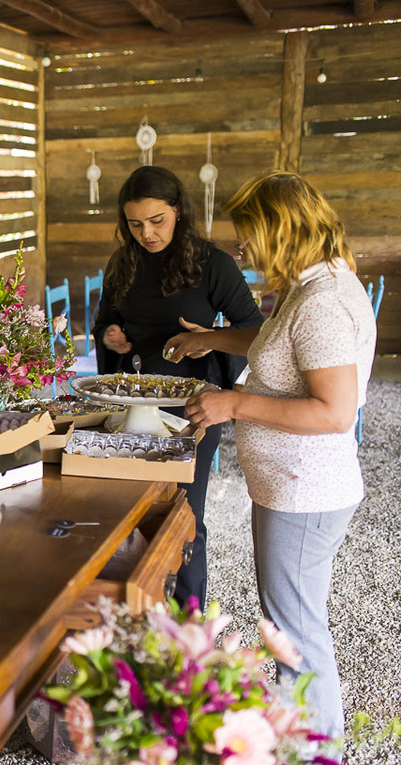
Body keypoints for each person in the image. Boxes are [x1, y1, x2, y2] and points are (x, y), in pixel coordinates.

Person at [166, 171, 375, 765]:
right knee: (292, 627)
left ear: (281, 230)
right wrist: (211, 340)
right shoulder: (311, 285)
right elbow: (272, 342)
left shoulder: (323, 303)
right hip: (292, 488)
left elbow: (334, 411)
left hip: (306, 493)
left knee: (296, 638)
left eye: (248, 234)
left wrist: (233, 404)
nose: (241, 247)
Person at [91, 166, 263, 608]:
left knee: (183, 515)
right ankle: (136, 615)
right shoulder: (122, 262)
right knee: (128, 512)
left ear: (179, 212)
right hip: (131, 404)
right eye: (134, 224)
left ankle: (188, 623)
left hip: (193, 408)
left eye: (157, 221)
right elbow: (105, 320)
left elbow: (254, 330)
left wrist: (210, 340)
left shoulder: (213, 264)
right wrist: (111, 335)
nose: (146, 234)